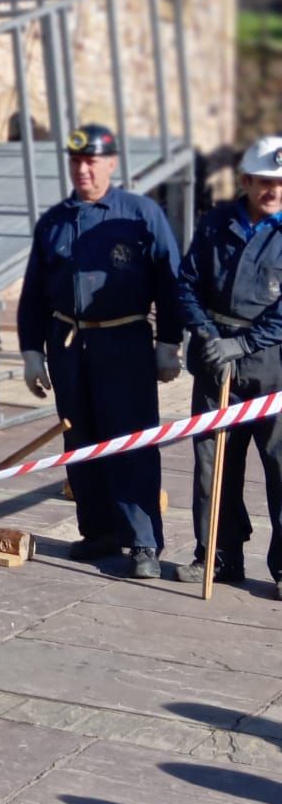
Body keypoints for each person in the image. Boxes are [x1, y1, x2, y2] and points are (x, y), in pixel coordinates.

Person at [17, 122, 183, 579]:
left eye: (92, 161)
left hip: (122, 341)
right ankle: (99, 531)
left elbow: (171, 282)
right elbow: (34, 294)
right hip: (68, 343)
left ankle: (143, 542)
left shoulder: (140, 214)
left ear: (111, 163)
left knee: (131, 440)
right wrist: (32, 351)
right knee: (81, 440)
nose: (84, 170)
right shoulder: (54, 221)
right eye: (76, 162)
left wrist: (170, 342)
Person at [173, 135, 282, 596]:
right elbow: (187, 284)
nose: (272, 191)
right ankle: (217, 555)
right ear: (245, 181)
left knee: (280, 467)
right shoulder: (217, 223)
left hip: (273, 366)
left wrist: (245, 344)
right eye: (263, 182)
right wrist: (206, 335)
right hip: (216, 363)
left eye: (279, 183)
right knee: (213, 466)